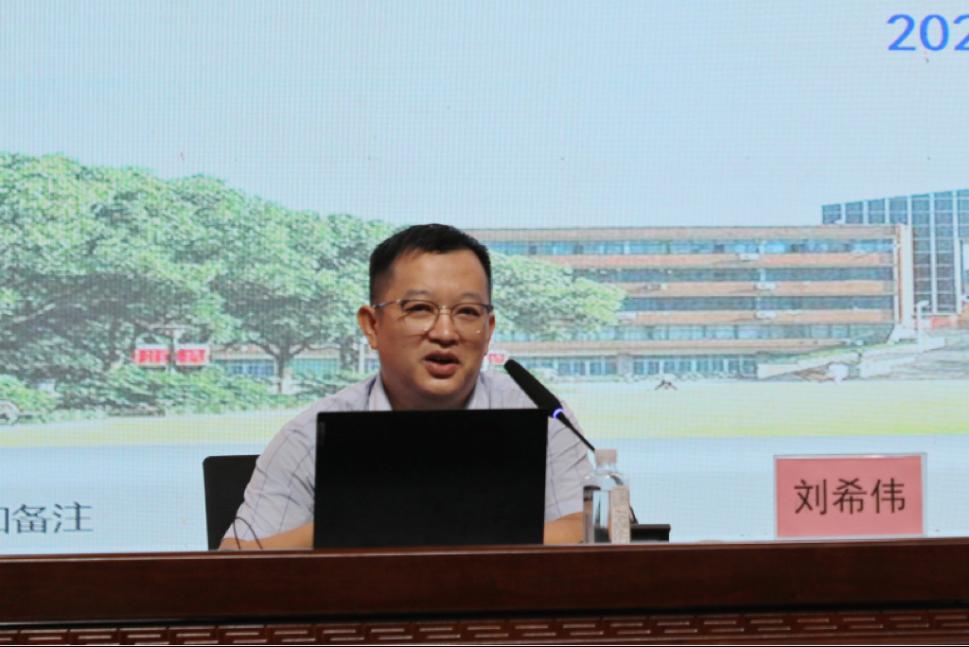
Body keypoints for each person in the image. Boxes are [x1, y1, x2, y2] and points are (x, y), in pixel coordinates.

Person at [221, 224, 592, 549]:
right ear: (372, 325)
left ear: (489, 329)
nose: (445, 332)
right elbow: (234, 560)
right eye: (419, 309)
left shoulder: (541, 416)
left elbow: (585, 530)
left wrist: (428, 524)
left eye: (467, 312)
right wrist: (350, 526)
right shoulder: (308, 435)